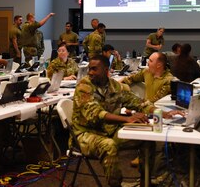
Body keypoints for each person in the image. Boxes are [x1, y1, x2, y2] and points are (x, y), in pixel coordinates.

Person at [72, 55, 176, 187]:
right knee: (108, 146)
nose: (90, 72)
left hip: (110, 131)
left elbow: (139, 103)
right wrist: (128, 118)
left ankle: (146, 182)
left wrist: (162, 113)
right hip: (85, 134)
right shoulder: (84, 86)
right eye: (89, 69)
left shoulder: (115, 86)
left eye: (94, 69)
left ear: (105, 70)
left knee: (147, 140)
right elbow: (97, 113)